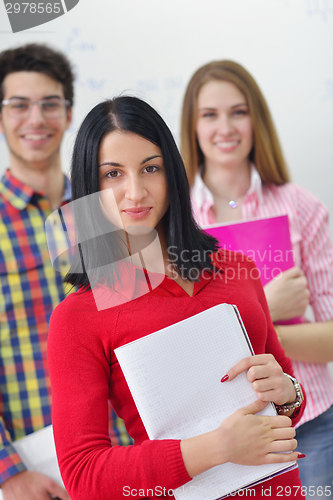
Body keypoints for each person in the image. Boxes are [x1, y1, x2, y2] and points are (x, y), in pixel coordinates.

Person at [47, 95, 306, 500]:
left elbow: (287, 406)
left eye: (150, 168)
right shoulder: (78, 316)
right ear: (89, 189)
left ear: (172, 172)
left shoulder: (236, 269)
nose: (136, 191)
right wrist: (217, 448)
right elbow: (83, 475)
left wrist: (290, 394)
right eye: (113, 174)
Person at [181, 60, 333, 496]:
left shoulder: (301, 206)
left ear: (256, 120)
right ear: (192, 126)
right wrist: (266, 306)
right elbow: (190, 352)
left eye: (238, 111)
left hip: (313, 424)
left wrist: (244, 328)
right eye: (209, 114)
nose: (225, 127)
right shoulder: (176, 222)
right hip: (223, 435)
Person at [0, 43, 130, 500]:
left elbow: (132, 324)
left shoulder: (106, 210)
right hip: (35, 467)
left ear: (70, 113)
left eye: (50, 104)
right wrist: (6, 471)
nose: (36, 119)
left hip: (124, 451)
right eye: (18, 104)